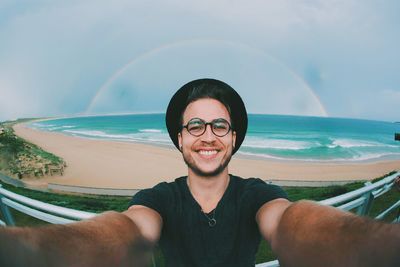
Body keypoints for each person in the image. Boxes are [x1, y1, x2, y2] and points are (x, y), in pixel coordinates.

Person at [0, 78, 399, 267]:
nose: (207, 136)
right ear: (179, 138)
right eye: (195, 126)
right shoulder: (158, 197)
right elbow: (127, 231)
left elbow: (292, 222)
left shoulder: (256, 194)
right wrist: (26, 248)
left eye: (219, 126)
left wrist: (376, 243)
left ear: (234, 137)